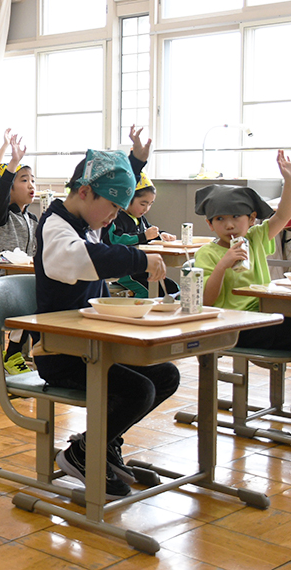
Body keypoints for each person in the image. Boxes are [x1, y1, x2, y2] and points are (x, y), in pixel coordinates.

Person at [34, 129, 177, 500]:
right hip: (62, 352)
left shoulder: (90, 220)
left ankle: (99, 443)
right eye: (112, 208)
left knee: (166, 375)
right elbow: (82, 259)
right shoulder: (56, 227)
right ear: (84, 193)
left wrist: (136, 160)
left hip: (95, 345)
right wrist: (139, 258)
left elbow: (110, 183)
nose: (115, 216)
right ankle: (84, 454)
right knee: (138, 390)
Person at [194, 151, 291, 415]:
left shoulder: (255, 238)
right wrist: (223, 264)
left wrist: (290, 181)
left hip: (266, 316)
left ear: (252, 219)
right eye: (220, 219)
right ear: (210, 224)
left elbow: (283, 216)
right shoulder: (207, 253)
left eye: (236, 217)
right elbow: (206, 301)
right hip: (234, 325)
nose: (229, 225)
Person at [0, 135, 37, 374]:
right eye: (24, 180)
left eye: (33, 180)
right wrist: (13, 163)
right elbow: (0, 194)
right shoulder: (0, 216)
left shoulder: (32, 220)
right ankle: (13, 355)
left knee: (46, 297)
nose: (31, 185)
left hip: (21, 281)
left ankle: (37, 355)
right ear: (10, 188)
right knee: (34, 301)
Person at [102, 172, 180, 297]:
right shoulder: (116, 217)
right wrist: (143, 236)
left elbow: (149, 231)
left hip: (142, 267)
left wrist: (162, 235)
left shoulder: (140, 218)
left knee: (172, 289)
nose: (146, 209)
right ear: (128, 199)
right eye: (143, 204)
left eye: (150, 204)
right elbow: (114, 240)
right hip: (124, 269)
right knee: (148, 293)